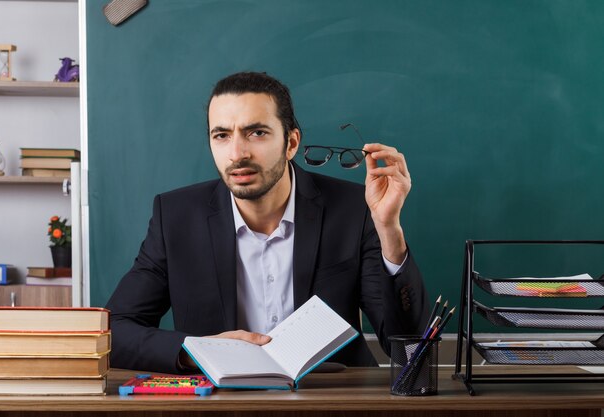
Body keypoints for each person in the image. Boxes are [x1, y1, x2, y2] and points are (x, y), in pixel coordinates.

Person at [106, 71, 429, 373]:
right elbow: (113, 333)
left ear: (291, 143)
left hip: (332, 398)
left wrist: (389, 230)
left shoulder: (353, 209)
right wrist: (197, 350)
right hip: (220, 404)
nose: (237, 153)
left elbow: (410, 348)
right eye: (221, 135)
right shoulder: (176, 216)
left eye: (256, 133)